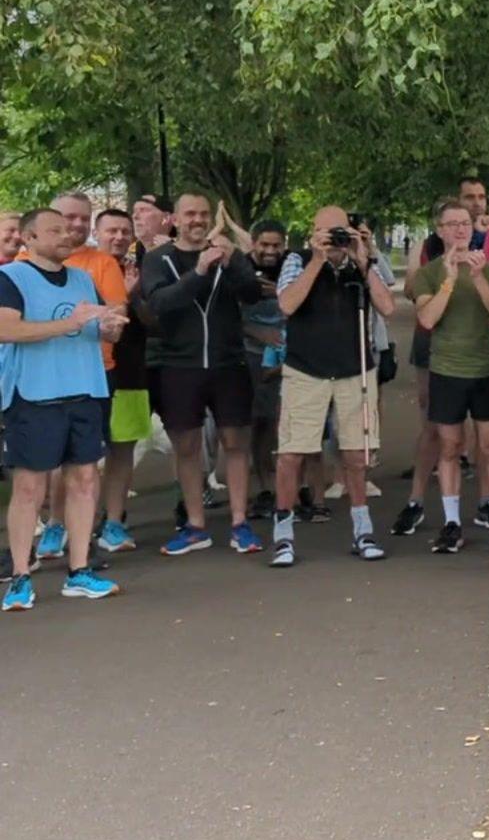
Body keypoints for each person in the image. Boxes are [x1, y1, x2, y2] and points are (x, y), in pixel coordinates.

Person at [0, 208, 129, 610]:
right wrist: (70, 324)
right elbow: (7, 330)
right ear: (29, 238)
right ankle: (20, 575)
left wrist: (109, 327)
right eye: (53, 229)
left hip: (84, 390)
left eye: (69, 227)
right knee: (28, 487)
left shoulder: (83, 279)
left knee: (86, 481)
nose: (66, 233)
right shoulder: (10, 278)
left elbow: (92, 328)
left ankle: (79, 570)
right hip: (34, 395)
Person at [142, 192, 268, 556]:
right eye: (190, 214)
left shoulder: (228, 254)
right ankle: (196, 525)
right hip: (179, 365)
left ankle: (240, 523)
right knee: (187, 446)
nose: (197, 220)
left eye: (203, 214)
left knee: (236, 443)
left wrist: (233, 263)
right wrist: (199, 271)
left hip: (229, 364)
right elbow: (160, 303)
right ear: (175, 220)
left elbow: (252, 295)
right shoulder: (157, 259)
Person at [269, 208, 395, 566]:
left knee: (357, 454)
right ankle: (283, 534)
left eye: (340, 232)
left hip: (355, 369)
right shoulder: (298, 259)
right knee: (292, 452)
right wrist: (318, 260)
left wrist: (364, 259)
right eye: (327, 233)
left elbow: (386, 306)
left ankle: (362, 528)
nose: (335, 240)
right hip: (306, 370)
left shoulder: (362, 262)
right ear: (314, 232)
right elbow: (287, 304)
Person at [409, 200, 489, 554]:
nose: (459, 229)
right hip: (447, 371)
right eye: (452, 224)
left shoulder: (488, 266)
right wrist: (451, 281)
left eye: (465, 223)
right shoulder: (429, 272)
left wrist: (476, 277)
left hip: (484, 368)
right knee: (450, 446)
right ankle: (452, 523)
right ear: (439, 230)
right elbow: (427, 319)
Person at [36, 193, 129, 563]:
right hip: (44, 375)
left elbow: (115, 324)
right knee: (53, 461)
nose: (75, 226)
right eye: (67, 218)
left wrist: (102, 318)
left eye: (82, 219)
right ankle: (56, 523)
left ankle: (80, 540)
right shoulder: (24, 265)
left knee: (86, 461)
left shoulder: (102, 262)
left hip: (96, 374)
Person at [93, 208, 148, 554]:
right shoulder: (80, 268)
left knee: (122, 448)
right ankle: (63, 524)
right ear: (97, 233)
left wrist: (133, 295)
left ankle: (113, 521)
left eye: (125, 231)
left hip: (130, 371)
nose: (118, 237)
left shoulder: (141, 269)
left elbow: (150, 320)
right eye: (111, 230)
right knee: (79, 457)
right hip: (89, 375)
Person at [242, 221, 289, 522]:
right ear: (254, 243)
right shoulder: (240, 271)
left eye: (276, 245)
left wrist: (281, 293)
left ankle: (292, 492)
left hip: (289, 357)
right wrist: (255, 330)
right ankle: (262, 490)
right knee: (253, 426)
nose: (270, 251)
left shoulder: (292, 267)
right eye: (265, 245)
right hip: (249, 357)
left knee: (279, 427)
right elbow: (224, 315)